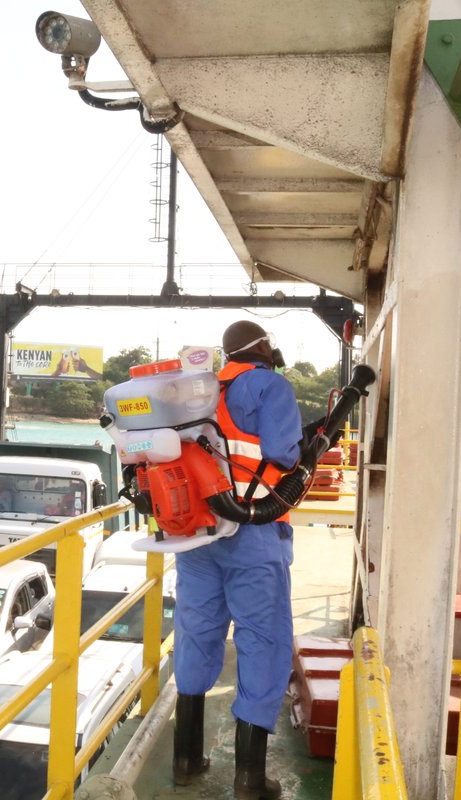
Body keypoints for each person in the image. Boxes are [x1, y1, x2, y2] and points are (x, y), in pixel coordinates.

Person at [171, 320, 302, 800]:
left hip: (197, 533)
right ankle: (249, 780)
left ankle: (185, 759)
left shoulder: (196, 390)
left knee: (196, 631)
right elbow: (283, 455)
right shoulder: (270, 386)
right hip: (253, 532)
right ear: (263, 346)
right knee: (262, 641)